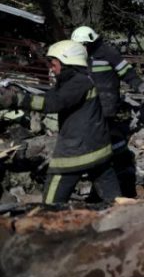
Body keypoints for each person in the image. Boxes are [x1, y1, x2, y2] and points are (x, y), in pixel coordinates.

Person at [0, 40, 120, 203]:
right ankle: (125, 221)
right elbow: (50, 97)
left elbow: (53, 103)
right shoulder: (76, 80)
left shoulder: (78, 82)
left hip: (76, 153)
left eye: (54, 63)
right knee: (115, 201)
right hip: (99, 151)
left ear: (67, 62)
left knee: (50, 207)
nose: (51, 67)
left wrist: (17, 99)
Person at [71, 25, 144, 197]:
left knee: (104, 139)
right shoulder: (78, 55)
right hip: (87, 106)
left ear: (89, 42)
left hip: (106, 105)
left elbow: (126, 72)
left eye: (82, 44)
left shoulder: (107, 53)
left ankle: (116, 168)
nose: (80, 48)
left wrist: (140, 85)